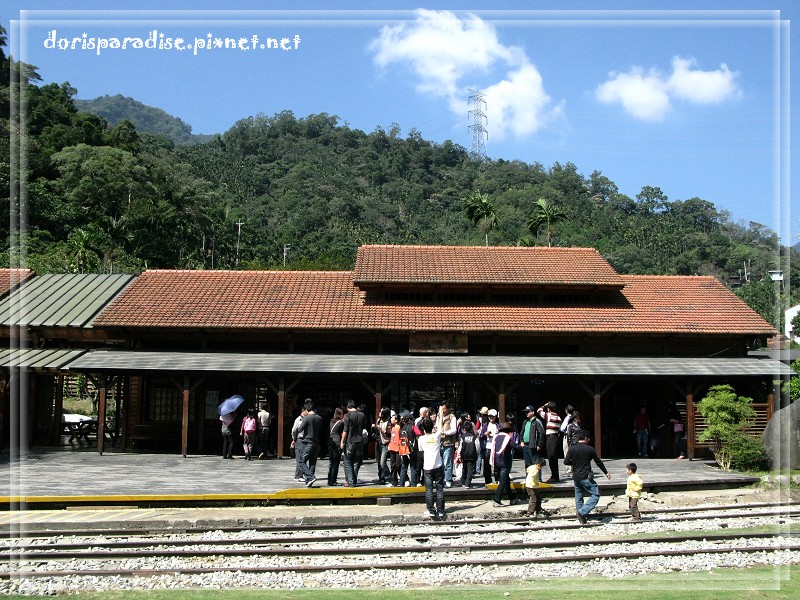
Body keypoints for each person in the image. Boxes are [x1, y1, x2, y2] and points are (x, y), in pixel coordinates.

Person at [564, 430, 611, 524]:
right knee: (595, 494)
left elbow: (566, 462)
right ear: (585, 438)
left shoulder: (572, 448)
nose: (589, 440)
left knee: (579, 496)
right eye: (588, 438)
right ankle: (582, 512)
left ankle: (581, 515)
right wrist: (606, 472)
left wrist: (574, 463)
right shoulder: (590, 449)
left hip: (576, 476)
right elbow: (598, 462)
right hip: (586, 475)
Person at [419, 405, 446, 518]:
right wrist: (440, 413)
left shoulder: (421, 439)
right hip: (438, 465)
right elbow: (440, 426)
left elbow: (421, 449)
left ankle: (430, 509)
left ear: (424, 429)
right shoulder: (436, 437)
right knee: (439, 489)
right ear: (432, 427)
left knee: (429, 489)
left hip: (427, 467)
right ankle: (440, 510)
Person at [340, 400, 368, 487]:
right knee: (356, 462)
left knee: (347, 461)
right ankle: (354, 480)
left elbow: (345, 430)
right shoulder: (362, 415)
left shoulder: (347, 416)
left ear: (348, 407)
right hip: (359, 441)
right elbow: (364, 427)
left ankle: (351, 482)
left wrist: (342, 441)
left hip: (350, 441)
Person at [296, 399, 323, 487]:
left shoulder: (306, 418)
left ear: (306, 409)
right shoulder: (319, 418)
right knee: (312, 462)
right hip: (316, 442)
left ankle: (310, 477)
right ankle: (309, 481)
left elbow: (300, 429)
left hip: (308, 442)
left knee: (301, 461)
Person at [491, 421, 516, 507]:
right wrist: (522, 446)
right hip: (505, 463)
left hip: (497, 462)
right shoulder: (508, 439)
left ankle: (512, 498)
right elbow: (517, 447)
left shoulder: (496, 437)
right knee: (502, 482)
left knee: (506, 481)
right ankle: (496, 499)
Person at [537, 401, 563, 482]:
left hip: (551, 437)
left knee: (551, 457)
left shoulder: (549, 415)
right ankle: (555, 475)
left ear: (549, 409)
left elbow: (539, 410)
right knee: (554, 456)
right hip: (555, 437)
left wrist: (544, 405)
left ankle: (554, 476)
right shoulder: (558, 417)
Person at [438, 404, 458, 487]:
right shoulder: (439, 417)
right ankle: (441, 479)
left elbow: (454, 430)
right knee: (440, 463)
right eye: (441, 409)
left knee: (447, 462)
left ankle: (448, 479)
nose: (443, 410)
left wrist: (445, 432)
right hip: (440, 443)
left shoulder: (452, 417)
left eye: (444, 409)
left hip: (448, 442)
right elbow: (438, 427)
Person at [398, 413, 418, 487]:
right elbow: (419, 433)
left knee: (404, 467)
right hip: (411, 449)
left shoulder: (401, 428)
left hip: (403, 450)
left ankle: (401, 484)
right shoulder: (413, 427)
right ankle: (413, 484)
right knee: (413, 467)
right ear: (410, 420)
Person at [458, 419, 479, 488]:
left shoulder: (462, 437)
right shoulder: (474, 437)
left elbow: (460, 446)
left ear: (464, 429)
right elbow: (477, 446)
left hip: (464, 454)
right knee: (470, 469)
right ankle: (467, 483)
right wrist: (477, 454)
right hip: (472, 455)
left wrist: (459, 455)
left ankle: (463, 481)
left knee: (464, 468)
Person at [374, 407, 392, 485]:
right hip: (379, 443)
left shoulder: (389, 422)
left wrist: (380, 429)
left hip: (385, 443)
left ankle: (388, 475)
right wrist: (374, 428)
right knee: (379, 462)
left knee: (382, 462)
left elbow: (389, 433)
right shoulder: (379, 420)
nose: (379, 413)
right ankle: (382, 478)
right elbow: (377, 432)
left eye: (381, 412)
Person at [327, 407, 344, 486]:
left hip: (330, 442)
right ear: (341, 414)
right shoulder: (341, 422)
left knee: (331, 462)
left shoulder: (331, 422)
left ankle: (329, 479)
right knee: (335, 463)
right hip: (337, 442)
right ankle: (333, 480)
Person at [482, 408, 500, 486]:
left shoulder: (498, 425)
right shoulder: (485, 425)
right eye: (489, 416)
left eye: (492, 416)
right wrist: (485, 434)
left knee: (496, 464)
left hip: (495, 446)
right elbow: (481, 435)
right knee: (487, 464)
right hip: (488, 446)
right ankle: (488, 480)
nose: (491, 418)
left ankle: (497, 479)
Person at [564, 410, 582, 475]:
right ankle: (573, 470)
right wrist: (569, 445)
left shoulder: (578, 424)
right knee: (574, 457)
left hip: (579, 441)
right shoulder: (570, 425)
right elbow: (569, 436)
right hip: (574, 442)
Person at [387, 412, 401, 486]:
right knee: (393, 465)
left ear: (396, 420)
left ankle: (404, 479)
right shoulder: (393, 428)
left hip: (398, 448)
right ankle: (393, 481)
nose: (391, 419)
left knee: (398, 465)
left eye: (393, 418)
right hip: (392, 447)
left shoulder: (399, 428)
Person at [475, 406, 489, 475]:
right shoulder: (490, 420)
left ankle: (478, 470)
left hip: (481, 438)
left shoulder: (480, 419)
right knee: (487, 455)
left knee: (479, 454)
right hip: (488, 438)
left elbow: (476, 427)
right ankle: (486, 470)